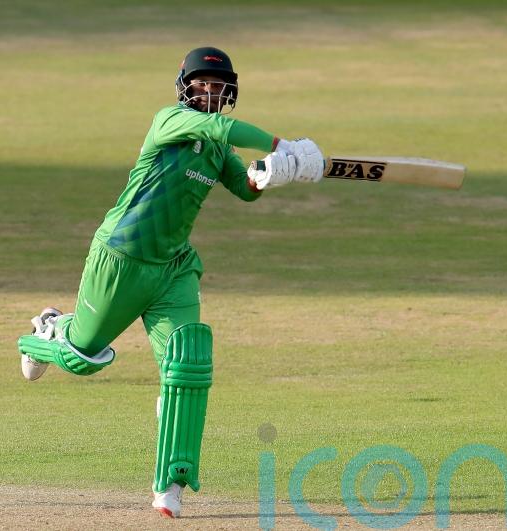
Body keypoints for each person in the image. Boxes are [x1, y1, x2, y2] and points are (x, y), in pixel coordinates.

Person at [16, 46, 324, 518]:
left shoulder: (219, 150)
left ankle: (170, 484)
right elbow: (221, 127)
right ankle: (46, 332)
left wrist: (271, 175)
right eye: (201, 82)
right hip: (122, 258)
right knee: (83, 358)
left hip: (174, 269)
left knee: (187, 366)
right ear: (185, 85)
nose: (210, 90)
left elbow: (244, 188)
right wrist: (282, 145)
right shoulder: (169, 121)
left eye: (218, 84)